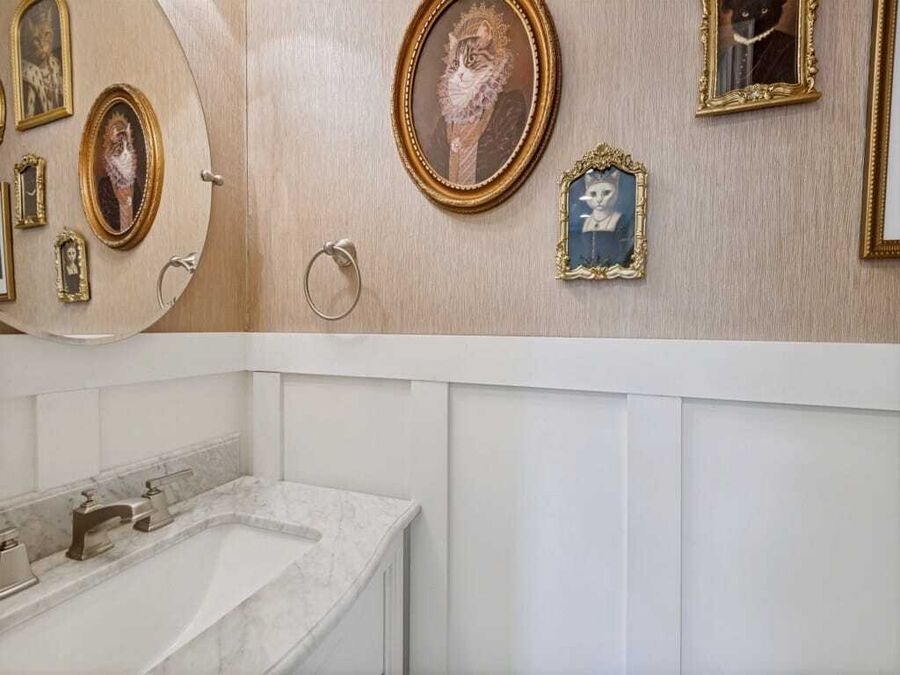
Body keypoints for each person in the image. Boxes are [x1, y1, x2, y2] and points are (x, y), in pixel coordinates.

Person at [568, 169, 634, 270]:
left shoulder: (621, 220)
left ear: (616, 191)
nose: (599, 199)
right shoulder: (584, 221)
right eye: (593, 194)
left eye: (606, 193)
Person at [97, 111, 142, 233]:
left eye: (127, 147)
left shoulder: (135, 183)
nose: (126, 153)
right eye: (121, 147)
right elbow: (106, 220)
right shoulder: (104, 185)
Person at [20, 2, 63, 117]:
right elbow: (29, 116)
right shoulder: (28, 72)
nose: (43, 44)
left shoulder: (55, 65)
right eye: (36, 40)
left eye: (47, 35)